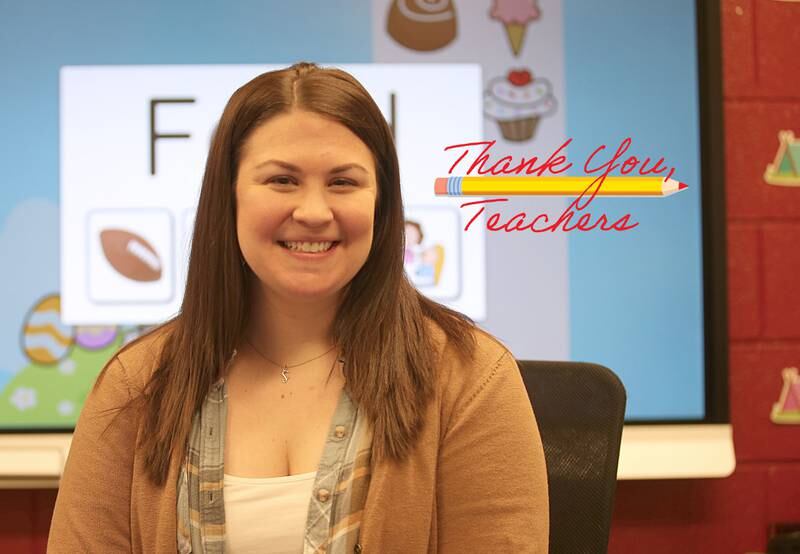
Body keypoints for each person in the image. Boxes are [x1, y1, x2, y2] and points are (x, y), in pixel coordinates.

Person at [47, 62, 549, 553]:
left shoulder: (470, 376)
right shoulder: (137, 385)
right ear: (230, 198)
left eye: (343, 182)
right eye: (282, 181)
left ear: (382, 202)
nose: (313, 211)